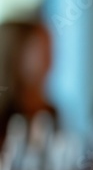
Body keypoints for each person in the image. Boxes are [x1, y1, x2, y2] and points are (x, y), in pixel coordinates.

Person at [0, 19, 56, 152]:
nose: (50, 60)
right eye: (42, 50)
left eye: (49, 50)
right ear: (15, 53)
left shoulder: (49, 112)